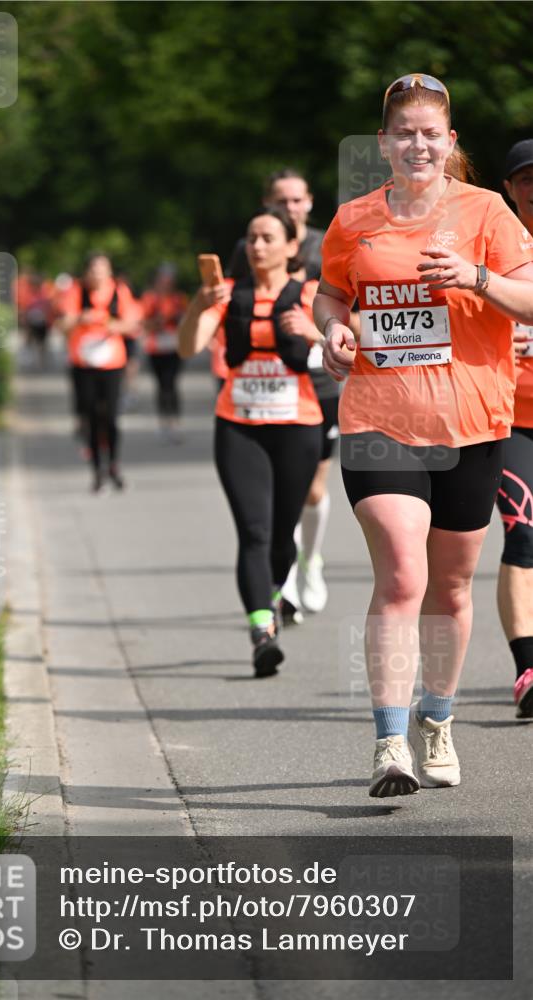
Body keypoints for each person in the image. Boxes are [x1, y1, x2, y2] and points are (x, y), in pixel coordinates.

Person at [316, 74, 533, 796]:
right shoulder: (352, 219)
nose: (416, 143)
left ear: (449, 143)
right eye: (402, 132)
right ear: (382, 143)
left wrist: (475, 277)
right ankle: (388, 742)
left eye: (428, 133)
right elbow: (329, 292)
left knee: (448, 586)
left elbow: (529, 299)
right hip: (379, 417)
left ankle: (435, 720)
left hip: (471, 423)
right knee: (403, 574)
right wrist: (332, 328)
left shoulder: (488, 213)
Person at [179, 208, 324, 677]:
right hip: (238, 426)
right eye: (252, 237)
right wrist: (198, 305)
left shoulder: (309, 294)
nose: (258, 245)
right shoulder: (226, 296)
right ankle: (262, 630)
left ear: (289, 247)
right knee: (254, 532)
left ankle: (276, 592)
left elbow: (356, 341)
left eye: (268, 237)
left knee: (282, 536)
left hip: (298, 426)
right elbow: (187, 346)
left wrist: (315, 331)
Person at [228, 169, 339, 624]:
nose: (289, 207)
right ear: (266, 203)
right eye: (280, 200)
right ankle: (285, 582)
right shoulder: (249, 247)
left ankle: (310, 561)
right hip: (269, 382)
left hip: (319, 380)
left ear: (309, 202)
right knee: (272, 494)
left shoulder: (329, 243)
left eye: (297, 200)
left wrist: (318, 333)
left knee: (311, 490)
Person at [497, 139, 533, 719]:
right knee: (523, 533)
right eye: (524, 178)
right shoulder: (495, 241)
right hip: (510, 415)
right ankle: (527, 669)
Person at [58, 253, 141, 492]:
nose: (97, 274)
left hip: (112, 363)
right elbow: (62, 325)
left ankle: (114, 464)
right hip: (83, 364)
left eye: (102, 270)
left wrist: (114, 326)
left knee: (112, 418)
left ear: (110, 272)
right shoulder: (76, 291)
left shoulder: (119, 292)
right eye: (93, 270)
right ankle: (97, 469)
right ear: (86, 272)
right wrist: (79, 319)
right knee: (92, 417)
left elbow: (133, 324)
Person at [140, 264, 188, 442]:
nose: (166, 282)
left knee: (172, 383)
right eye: (163, 278)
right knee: (161, 385)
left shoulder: (178, 298)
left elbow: (185, 320)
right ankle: (163, 420)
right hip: (156, 346)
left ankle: (175, 421)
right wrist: (157, 322)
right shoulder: (149, 298)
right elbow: (143, 322)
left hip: (174, 345)